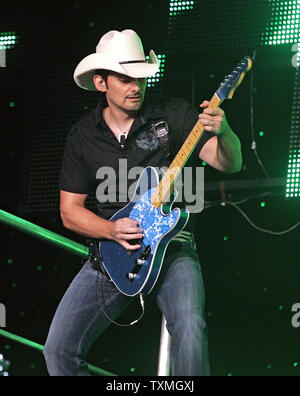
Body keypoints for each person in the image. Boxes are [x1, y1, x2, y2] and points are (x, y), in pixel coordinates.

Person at [43, 29, 242, 376]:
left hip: (173, 248)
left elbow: (230, 163)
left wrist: (224, 131)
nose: (136, 86)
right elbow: (69, 211)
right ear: (101, 82)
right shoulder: (82, 136)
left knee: (191, 330)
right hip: (111, 253)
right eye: (125, 79)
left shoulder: (173, 115)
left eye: (140, 77)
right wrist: (110, 229)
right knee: (57, 350)